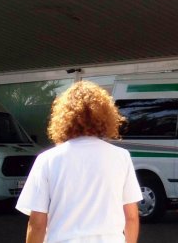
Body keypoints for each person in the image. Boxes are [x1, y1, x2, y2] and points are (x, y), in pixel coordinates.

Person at [16, 81, 141, 243]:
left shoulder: (47, 160)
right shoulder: (121, 157)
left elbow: (37, 223)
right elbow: (131, 218)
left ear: (63, 118)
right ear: (106, 116)